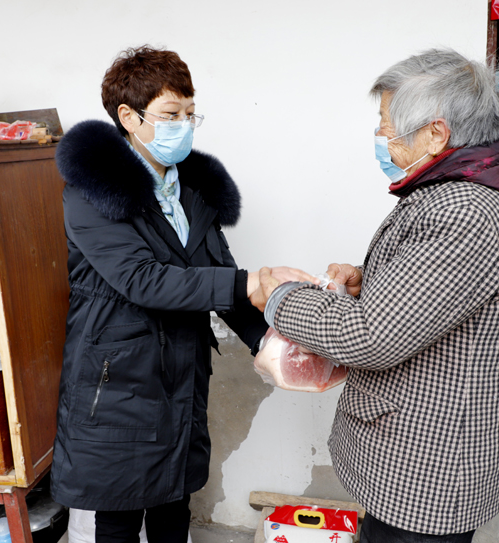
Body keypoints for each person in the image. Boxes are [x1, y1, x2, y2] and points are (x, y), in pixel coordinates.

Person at [250, 49, 499, 542]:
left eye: (386, 126)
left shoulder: (466, 212)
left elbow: (372, 336)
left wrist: (283, 298)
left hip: (428, 470)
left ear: (436, 134)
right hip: (424, 456)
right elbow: (440, 293)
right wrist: (369, 280)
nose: (381, 137)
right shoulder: (468, 190)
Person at [50, 45, 312, 543]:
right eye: (171, 115)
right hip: (118, 383)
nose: (184, 125)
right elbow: (142, 279)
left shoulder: (191, 190)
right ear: (129, 117)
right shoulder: (92, 191)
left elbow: (220, 275)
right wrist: (252, 280)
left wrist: (272, 341)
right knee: (119, 517)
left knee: (174, 506)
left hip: (180, 376)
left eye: (191, 113)